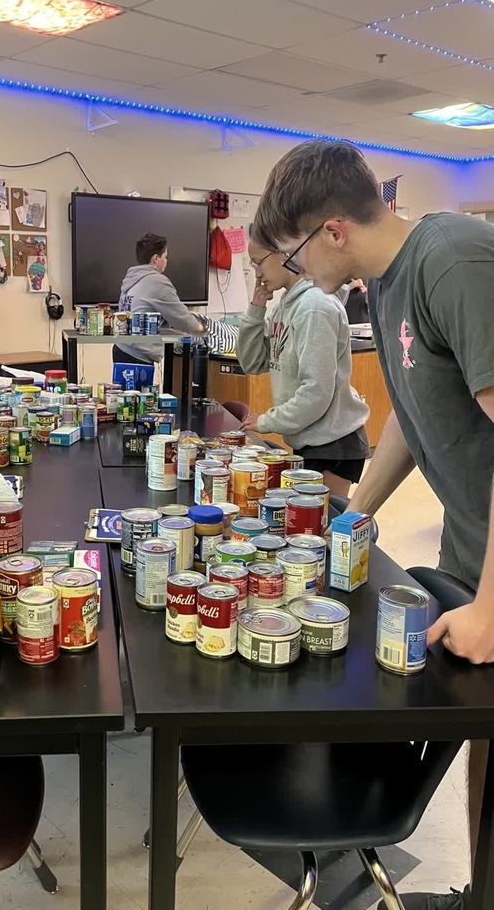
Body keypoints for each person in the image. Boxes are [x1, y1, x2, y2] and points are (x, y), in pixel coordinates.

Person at [252, 138, 494, 910]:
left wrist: (492, 604)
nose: (296, 276)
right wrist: (354, 517)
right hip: (473, 532)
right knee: (484, 727)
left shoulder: (450, 257)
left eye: (290, 257)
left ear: (330, 230)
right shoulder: (383, 284)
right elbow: (411, 419)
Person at [237, 225, 370, 498]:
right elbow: (253, 362)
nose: (257, 273)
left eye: (258, 262)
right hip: (310, 436)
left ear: (283, 252)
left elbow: (316, 392)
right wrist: (255, 309)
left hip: (333, 442)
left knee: (317, 530)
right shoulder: (286, 305)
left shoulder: (314, 307)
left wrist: (267, 421)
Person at [114, 232, 205, 365]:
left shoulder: (131, 278)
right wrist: (200, 328)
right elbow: (180, 317)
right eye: (165, 257)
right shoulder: (157, 281)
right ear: (156, 258)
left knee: (122, 387)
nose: (166, 261)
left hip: (121, 348)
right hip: (138, 354)